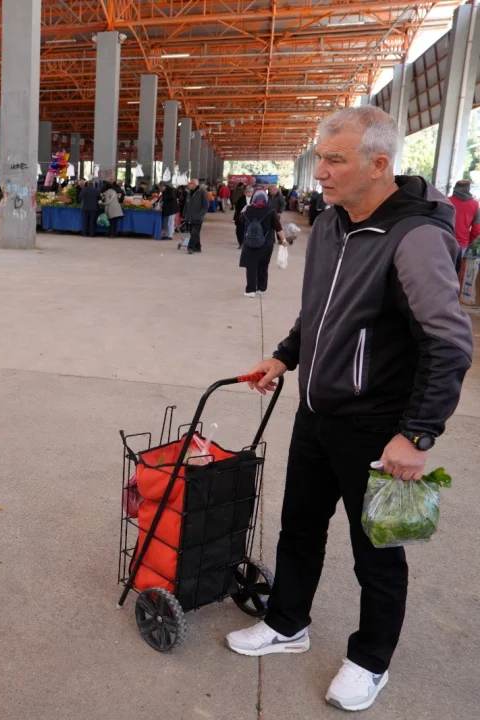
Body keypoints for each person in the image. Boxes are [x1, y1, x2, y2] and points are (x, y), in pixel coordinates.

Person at [229, 107, 473, 712]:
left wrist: (415, 436)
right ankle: (287, 624)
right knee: (300, 530)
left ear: (380, 164)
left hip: (378, 430)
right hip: (316, 414)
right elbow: (320, 311)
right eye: (320, 156)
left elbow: (448, 344)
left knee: (378, 554)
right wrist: (286, 357)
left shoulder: (415, 237)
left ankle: (371, 660)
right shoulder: (333, 224)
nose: (320, 172)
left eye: (334, 159)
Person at [238, 189, 287, 297]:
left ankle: (250, 290)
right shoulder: (271, 210)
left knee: (251, 266)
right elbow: (278, 227)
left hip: (250, 242)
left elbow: (240, 221)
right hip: (266, 243)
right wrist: (283, 240)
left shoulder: (247, 209)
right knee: (263, 266)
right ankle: (262, 288)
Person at [449, 179, 480, 250]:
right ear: (468, 189)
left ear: (455, 189)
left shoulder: (445, 201)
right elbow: (477, 229)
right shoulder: (475, 204)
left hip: (444, 241)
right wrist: (467, 241)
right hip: (462, 244)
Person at [182, 179, 209, 254]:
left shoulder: (202, 192)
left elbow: (206, 205)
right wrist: (184, 214)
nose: (188, 184)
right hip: (190, 217)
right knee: (194, 233)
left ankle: (190, 247)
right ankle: (197, 247)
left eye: (190, 183)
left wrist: (200, 214)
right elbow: (186, 205)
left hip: (197, 217)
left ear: (194, 184)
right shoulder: (189, 192)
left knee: (195, 232)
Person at [232, 183, 249, 248]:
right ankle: (241, 243)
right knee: (239, 231)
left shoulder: (254, 199)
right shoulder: (241, 199)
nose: (249, 193)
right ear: (245, 192)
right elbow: (237, 208)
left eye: (250, 192)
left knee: (248, 230)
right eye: (248, 192)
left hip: (250, 217)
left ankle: (245, 243)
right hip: (241, 217)